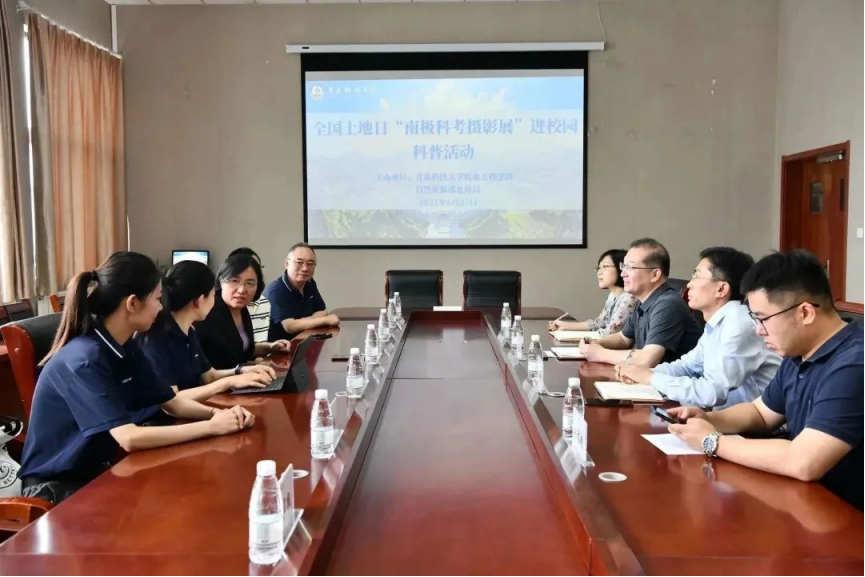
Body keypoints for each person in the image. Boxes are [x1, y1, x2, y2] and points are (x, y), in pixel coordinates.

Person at [18, 252, 254, 504]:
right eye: (157, 299)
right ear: (132, 303)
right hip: (54, 489)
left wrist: (219, 415)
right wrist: (211, 427)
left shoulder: (125, 347)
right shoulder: (85, 359)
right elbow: (129, 437)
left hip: (96, 473)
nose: (161, 308)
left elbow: (172, 403)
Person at [669, 251, 863, 510]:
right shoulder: (800, 352)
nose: (759, 330)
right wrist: (709, 419)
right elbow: (760, 413)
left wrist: (712, 441)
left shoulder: (854, 364)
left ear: (805, 313)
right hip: (807, 501)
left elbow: (804, 461)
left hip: (848, 514)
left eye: (763, 318)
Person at [618, 247, 781, 409]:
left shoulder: (739, 323)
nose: (689, 285)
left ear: (721, 289)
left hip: (747, 423)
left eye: (696, 276)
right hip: (719, 417)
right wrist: (640, 373)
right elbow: (687, 367)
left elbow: (712, 392)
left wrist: (651, 378)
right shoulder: (718, 322)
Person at [138, 261, 276, 403]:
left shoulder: (188, 331)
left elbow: (209, 376)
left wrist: (240, 371)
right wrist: (229, 382)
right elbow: (171, 400)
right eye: (212, 295)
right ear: (199, 300)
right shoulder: (157, 338)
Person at [580, 238, 701, 367]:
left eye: (630, 267)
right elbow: (623, 339)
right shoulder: (643, 301)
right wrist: (596, 343)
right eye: (623, 267)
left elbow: (647, 360)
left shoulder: (667, 304)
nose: (623, 274)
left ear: (654, 275)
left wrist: (600, 353)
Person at [196, 253, 290, 370]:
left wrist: (271, 347)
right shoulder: (208, 311)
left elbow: (242, 350)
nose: (241, 290)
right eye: (235, 281)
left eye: (250, 283)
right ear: (221, 282)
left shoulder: (242, 310)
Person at [548, 249, 637, 337]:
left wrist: (575, 336)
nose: (599, 272)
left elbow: (611, 332)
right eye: (598, 268)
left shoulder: (630, 297)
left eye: (605, 266)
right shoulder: (613, 295)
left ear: (621, 268)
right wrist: (566, 326)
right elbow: (599, 323)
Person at [263, 242, 340, 341]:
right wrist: (326, 320)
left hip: (304, 339)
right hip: (280, 347)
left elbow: (322, 311)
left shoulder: (309, 282)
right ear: (286, 263)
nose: (305, 268)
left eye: (310, 264)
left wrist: (303, 322)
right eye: (299, 262)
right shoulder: (275, 290)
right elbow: (290, 327)